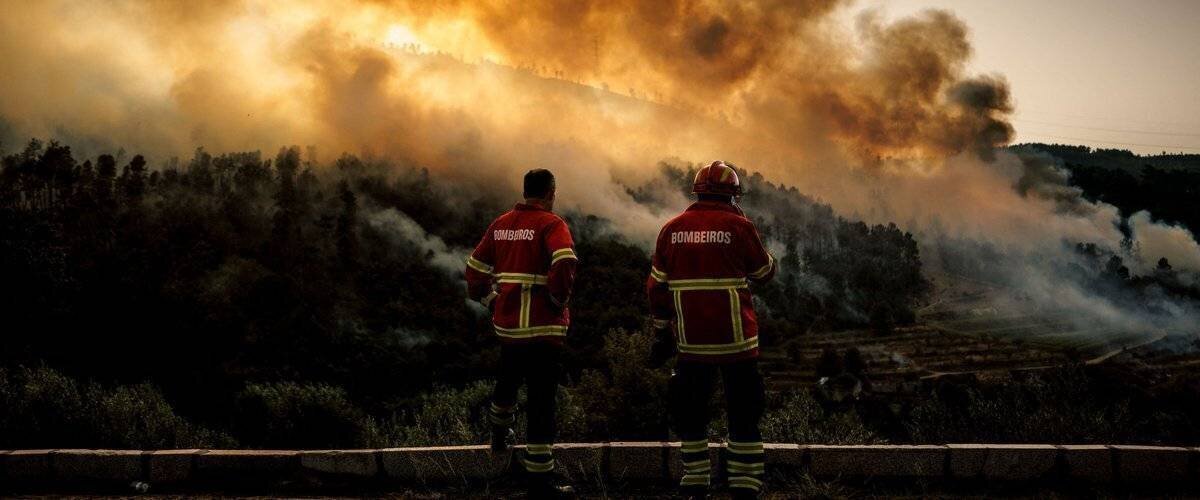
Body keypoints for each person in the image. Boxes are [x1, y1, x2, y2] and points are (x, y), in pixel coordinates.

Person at [646, 161, 776, 499]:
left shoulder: (670, 230)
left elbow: (655, 287)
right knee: (744, 408)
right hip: (737, 340)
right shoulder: (740, 226)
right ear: (733, 195)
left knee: (691, 409)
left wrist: (661, 330)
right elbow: (764, 273)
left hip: (692, 342)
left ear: (697, 192)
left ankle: (696, 478)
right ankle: (745, 483)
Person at [465, 168, 578, 498]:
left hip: (510, 327)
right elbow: (566, 261)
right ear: (550, 193)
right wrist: (557, 299)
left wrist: (489, 299)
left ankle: (499, 433)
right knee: (542, 402)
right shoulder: (551, 224)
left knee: (507, 381)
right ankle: (540, 481)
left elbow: (474, 270)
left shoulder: (501, 225)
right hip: (543, 329)